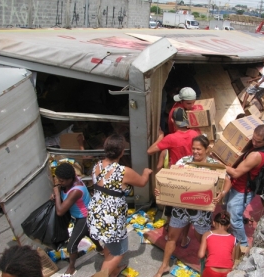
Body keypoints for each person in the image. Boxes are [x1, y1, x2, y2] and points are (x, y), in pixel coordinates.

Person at [153, 135, 232, 277]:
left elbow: (227, 181)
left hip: (202, 211)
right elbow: (170, 178)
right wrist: (161, 190)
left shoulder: (214, 165)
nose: (195, 152)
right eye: (193, 148)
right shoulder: (183, 161)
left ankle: (206, 269)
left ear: (207, 149)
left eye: (199, 149)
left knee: (202, 240)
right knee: (171, 237)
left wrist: (222, 194)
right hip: (181, 208)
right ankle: (164, 266)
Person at [87, 134, 152, 277]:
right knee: (120, 252)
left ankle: (114, 270)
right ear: (122, 152)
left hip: (96, 214)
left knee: (108, 244)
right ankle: (105, 273)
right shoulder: (123, 171)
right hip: (112, 218)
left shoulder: (96, 166)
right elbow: (141, 182)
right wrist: (146, 172)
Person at [148, 107, 199, 247]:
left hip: (174, 178)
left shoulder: (170, 138)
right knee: (188, 207)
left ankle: (170, 236)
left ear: (172, 120)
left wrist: (160, 137)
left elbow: (150, 151)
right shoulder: (195, 134)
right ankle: (184, 239)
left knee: (171, 209)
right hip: (191, 177)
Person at [52, 163, 103, 277]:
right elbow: (62, 192)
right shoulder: (70, 183)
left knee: (71, 246)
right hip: (81, 216)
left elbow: (60, 211)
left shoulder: (76, 190)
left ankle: (71, 267)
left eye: (62, 181)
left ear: (71, 178)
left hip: (85, 218)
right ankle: (100, 249)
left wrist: (56, 193)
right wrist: (58, 192)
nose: (60, 183)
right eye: (58, 180)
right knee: (90, 233)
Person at [225, 125, 264, 246]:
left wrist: (219, 164)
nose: (254, 143)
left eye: (258, 141)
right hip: (238, 186)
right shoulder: (255, 147)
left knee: (234, 218)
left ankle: (243, 244)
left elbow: (235, 173)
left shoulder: (256, 155)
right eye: (253, 139)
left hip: (242, 190)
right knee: (228, 211)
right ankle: (233, 236)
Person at [198, 211, 236, 277]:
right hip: (227, 272)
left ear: (213, 223)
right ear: (229, 225)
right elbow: (232, 259)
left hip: (211, 270)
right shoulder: (233, 238)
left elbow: (201, 255)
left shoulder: (207, 235)